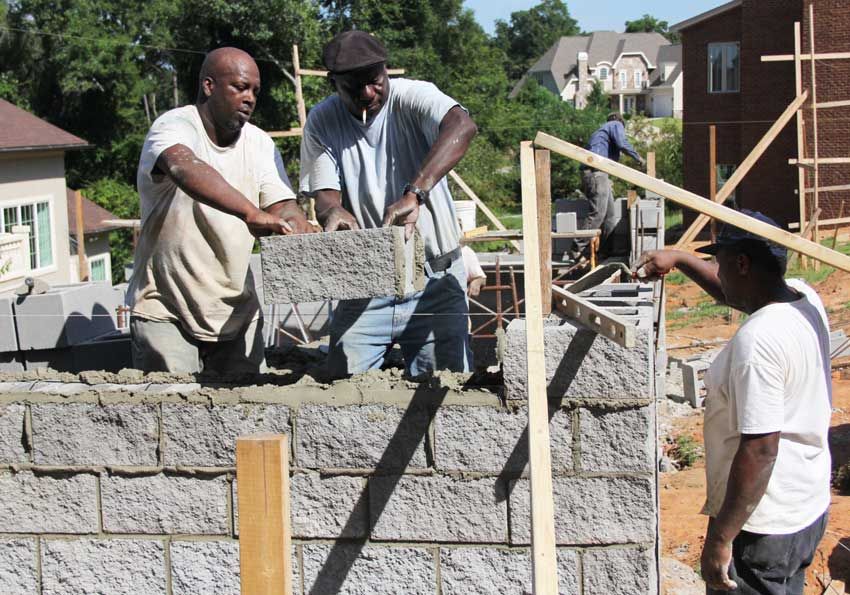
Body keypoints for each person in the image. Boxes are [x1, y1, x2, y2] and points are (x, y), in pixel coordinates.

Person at [636, 210, 831, 595]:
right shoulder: (805, 299)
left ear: (742, 263)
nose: (718, 272)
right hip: (805, 507)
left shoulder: (757, 342)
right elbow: (735, 292)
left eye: (720, 262)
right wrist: (681, 258)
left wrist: (722, 538)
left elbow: (760, 449)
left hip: (762, 526)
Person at [300, 30, 477, 377]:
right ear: (332, 83)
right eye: (353, 86)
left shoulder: (412, 96)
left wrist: (416, 193)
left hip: (435, 278)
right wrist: (332, 210)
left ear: (385, 70)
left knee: (444, 396)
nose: (368, 93)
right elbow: (324, 193)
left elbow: (462, 126)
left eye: (375, 80)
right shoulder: (322, 120)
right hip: (368, 280)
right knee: (340, 392)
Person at [128, 47, 312, 374]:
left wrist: (295, 224)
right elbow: (184, 167)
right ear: (209, 86)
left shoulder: (259, 144)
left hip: (236, 312)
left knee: (247, 418)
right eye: (240, 87)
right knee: (172, 416)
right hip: (167, 310)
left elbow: (281, 204)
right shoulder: (174, 126)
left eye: (255, 90)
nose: (250, 98)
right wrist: (249, 213)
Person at [569, 112, 644, 264]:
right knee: (598, 213)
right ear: (620, 122)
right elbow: (623, 144)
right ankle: (576, 248)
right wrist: (639, 158)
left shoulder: (602, 133)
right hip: (595, 172)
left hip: (599, 173)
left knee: (610, 216)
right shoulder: (615, 125)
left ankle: (606, 252)